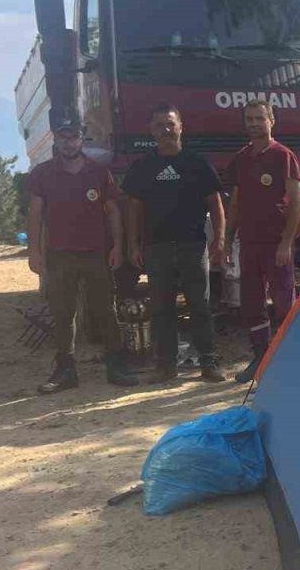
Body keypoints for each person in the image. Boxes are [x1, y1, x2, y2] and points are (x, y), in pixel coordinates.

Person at [26, 118, 138, 393]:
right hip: (59, 255)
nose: (68, 143)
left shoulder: (98, 172)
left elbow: (112, 211)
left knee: (105, 310)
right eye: (63, 137)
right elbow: (35, 213)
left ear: (81, 139)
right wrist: (34, 252)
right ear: (55, 140)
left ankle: (116, 365)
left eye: (73, 137)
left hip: (96, 253)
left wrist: (117, 246)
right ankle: (65, 371)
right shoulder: (43, 173)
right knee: (63, 312)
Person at [123, 104, 227, 383]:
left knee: (200, 306)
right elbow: (133, 209)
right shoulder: (142, 167)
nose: (166, 130)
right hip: (156, 248)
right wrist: (133, 245)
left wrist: (220, 239)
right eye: (159, 125)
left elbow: (215, 203)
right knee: (161, 309)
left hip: (193, 246)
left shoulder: (197, 163)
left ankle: (209, 362)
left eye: (170, 124)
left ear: (181, 126)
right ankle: (165, 366)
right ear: (151, 130)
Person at [225, 99, 300, 383]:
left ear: (272, 120)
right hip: (249, 244)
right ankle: (260, 358)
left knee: (284, 302)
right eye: (249, 119)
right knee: (252, 303)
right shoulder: (241, 159)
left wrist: (286, 242)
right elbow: (235, 203)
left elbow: (296, 201)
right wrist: (227, 240)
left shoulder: (283, 156)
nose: (254, 123)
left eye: (260, 118)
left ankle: (291, 359)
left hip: (275, 244)